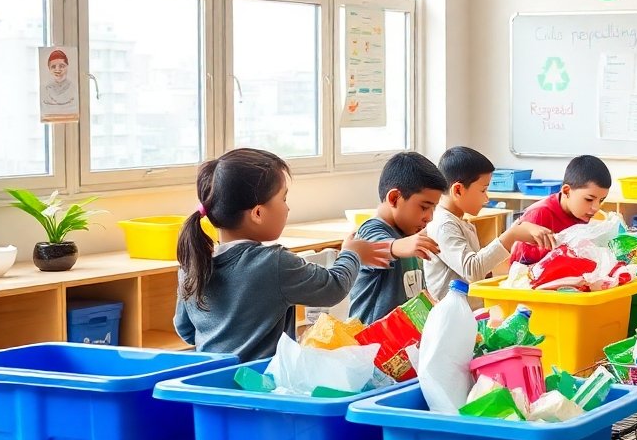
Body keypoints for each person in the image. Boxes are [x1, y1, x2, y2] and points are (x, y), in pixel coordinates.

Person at [174, 148, 392, 362]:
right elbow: (333, 287)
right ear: (258, 213)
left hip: (210, 384)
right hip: (262, 387)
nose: (287, 208)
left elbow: (185, 329)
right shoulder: (272, 262)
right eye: (284, 199)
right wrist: (352, 253)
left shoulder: (192, 264)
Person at [425, 146, 557, 305]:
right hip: (453, 318)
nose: (486, 198)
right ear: (458, 190)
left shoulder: (457, 220)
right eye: (483, 190)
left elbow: (481, 271)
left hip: (469, 313)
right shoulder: (444, 225)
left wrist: (519, 230)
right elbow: (472, 270)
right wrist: (512, 235)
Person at [347, 152, 445, 324]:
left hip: (403, 342)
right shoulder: (370, 229)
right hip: (371, 345)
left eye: (433, 209)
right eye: (424, 207)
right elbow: (375, 247)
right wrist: (400, 246)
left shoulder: (408, 237)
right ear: (394, 198)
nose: (429, 217)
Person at [510, 155, 612, 265]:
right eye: (589, 199)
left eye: (601, 200)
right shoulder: (539, 214)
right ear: (567, 191)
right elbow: (521, 265)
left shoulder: (580, 213)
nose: (596, 208)